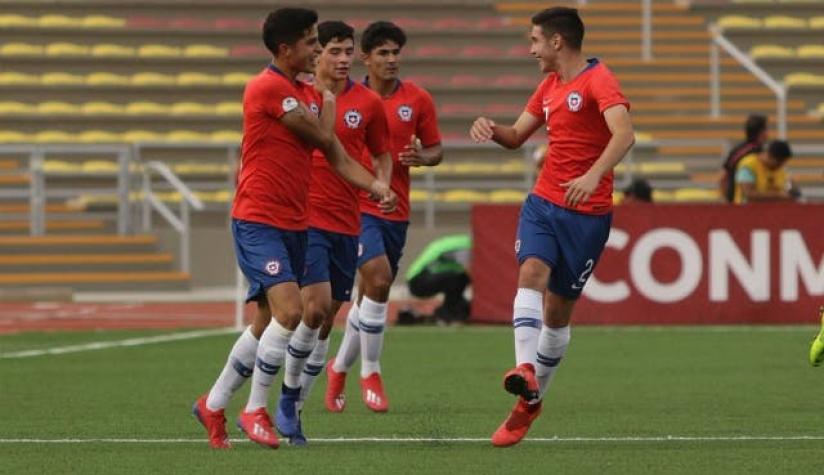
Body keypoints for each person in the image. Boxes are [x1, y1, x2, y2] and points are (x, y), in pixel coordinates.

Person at [191, 8, 392, 450]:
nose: (317, 50)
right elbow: (323, 138)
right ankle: (256, 408)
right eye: (310, 43)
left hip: (296, 222)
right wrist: (331, 101)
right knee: (291, 312)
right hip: (259, 218)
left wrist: (375, 186)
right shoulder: (269, 88)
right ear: (285, 49)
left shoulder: (306, 93)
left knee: (266, 321)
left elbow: (338, 157)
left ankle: (215, 401)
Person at [470, 7, 634, 447]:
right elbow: (517, 136)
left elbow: (624, 134)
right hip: (544, 203)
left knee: (557, 315)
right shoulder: (549, 86)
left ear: (557, 41)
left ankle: (528, 404)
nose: (531, 50)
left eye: (535, 41)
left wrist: (593, 174)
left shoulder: (599, 79)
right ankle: (524, 369)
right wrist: (491, 129)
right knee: (530, 273)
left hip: (588, 215)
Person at [326, 20, 443, 414]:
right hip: (357, 204)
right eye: (383, 53)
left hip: (397, 206)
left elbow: (436, 150)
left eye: (396, 53)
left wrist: (420, 158)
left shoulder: (419, 99)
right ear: (367, 58)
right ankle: (370, 371)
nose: (392, 60)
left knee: (372, 294)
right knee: (377, 277)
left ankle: (339, 367)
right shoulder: (350, 98)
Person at [288, 20, 395, 436]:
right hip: (304, 215)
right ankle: (282, 398)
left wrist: (381, 183)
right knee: (311, 309)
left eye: (349, 51)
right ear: (318, 54)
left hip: (348, 218)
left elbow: (381, 153)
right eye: (335, 51)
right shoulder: (296, 96)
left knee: (327, 314)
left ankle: (296, 402)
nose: (344, 59)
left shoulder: (368, 102)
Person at [405, 234, 472, 324]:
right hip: (418, 280)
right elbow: (469, 271)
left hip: (419, 278)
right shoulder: (465, 247)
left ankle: (447, 311)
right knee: (459, 278)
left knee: (458, 279)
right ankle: (448, 313)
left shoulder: (463, 242)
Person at [721, 114, 768, 203]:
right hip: (748, 203)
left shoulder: (736, 150)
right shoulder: (759, 153)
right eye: (766, 129)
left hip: (733, 202)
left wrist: (727, 200)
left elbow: (723, 178)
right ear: (762, 132)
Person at [733, 139, 796, 204]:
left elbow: (783, 189)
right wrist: (778, 196)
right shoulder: (748, 165)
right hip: (745, 211)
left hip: (769, 212)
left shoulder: (779, 170)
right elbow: (748, 194)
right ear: (770, 156)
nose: (780, 166)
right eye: (779, 163)